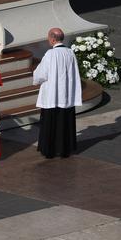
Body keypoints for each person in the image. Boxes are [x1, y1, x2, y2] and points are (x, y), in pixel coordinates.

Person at [32, 27, 83, 159]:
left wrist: (36, 79)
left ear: (53, 39)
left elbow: (41, 74)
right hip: (66, 95)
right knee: (64, 122)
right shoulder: (70, 53)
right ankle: (65, 150)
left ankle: (49, 151)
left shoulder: (50, 54)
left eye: (49, 37)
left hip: (52, 95)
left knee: (50, 122)